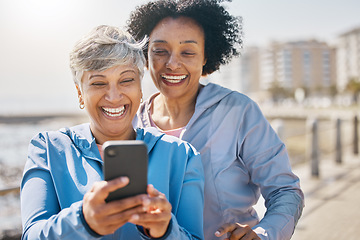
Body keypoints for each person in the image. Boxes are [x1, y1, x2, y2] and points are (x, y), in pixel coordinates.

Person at [127, 0, 304, 239]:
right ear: (146, 55)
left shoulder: (239, 112)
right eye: (160, 51)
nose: (172, 64)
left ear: (205, 57)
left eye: (188, 52)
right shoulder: (132, 123)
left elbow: (285, 190)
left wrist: (263, 234)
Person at [20, 25, 204, 240]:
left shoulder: (182, 155)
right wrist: (82, 221)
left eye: (126, 80)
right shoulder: (48, 149)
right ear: (80, 93)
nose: (114, 96)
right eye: (98, 83)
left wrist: (165, 230)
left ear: (140, 87)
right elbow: (31, 235)